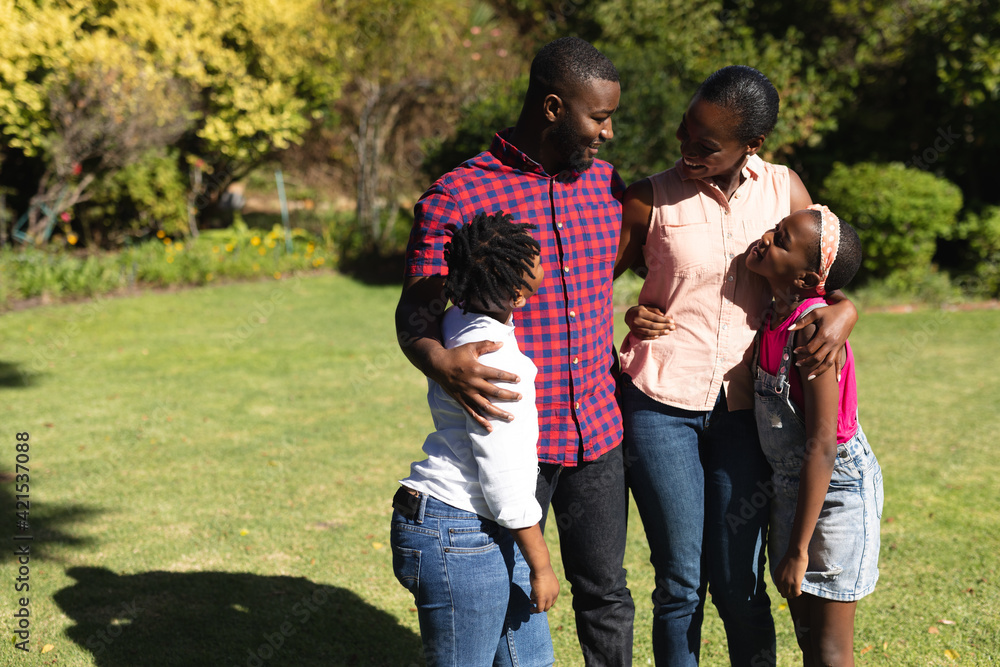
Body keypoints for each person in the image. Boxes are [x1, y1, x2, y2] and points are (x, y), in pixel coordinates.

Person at [396, 37, 634, 665]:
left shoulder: (607, 187)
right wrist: (441, 361)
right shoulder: (458, 196)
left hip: (600, 431)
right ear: (554, 107)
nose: (608, 135)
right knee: (512, 594)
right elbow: (414, 315)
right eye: (600, 118)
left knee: (607, 595)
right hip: (513, 441)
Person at [613, 65, 858, 666]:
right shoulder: (649, 197)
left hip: (750, 414)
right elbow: (597, 285)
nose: (686, 150)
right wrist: (627, 314)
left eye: (706, 145)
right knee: (678, 581)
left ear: (752, 146)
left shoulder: (785, 190)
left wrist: (847, 311)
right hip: (658, 404)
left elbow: (820, 275)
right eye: (684, 133)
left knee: (740, 581)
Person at [390, 211, 557, 666]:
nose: (544, 261)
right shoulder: (496, 364)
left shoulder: (456, 321)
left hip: (466, 524)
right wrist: (541, 566)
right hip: (457, 530)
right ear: (518, 293)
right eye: (535, 260)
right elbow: (504, 481)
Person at [745, 206, 882, 666]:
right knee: (807, 638)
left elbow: (823, 443)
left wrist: (799, 550)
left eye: (780, 240)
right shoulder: (773, 314)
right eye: (775, 229)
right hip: (794, 490)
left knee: (829, 651)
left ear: (806, 279)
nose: (766, 237)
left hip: (836, 490)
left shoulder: (811, 333)